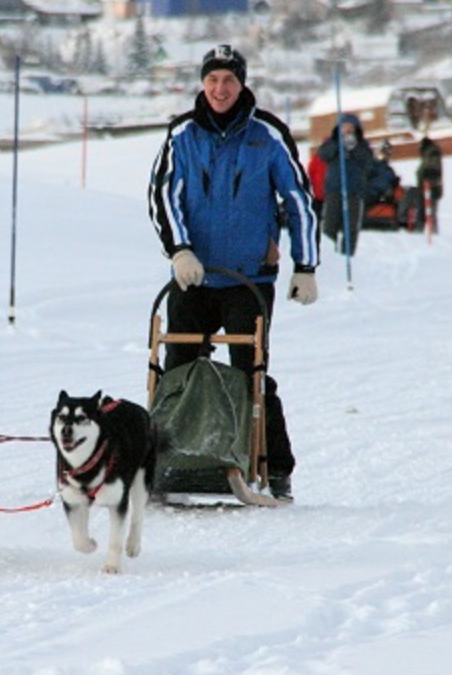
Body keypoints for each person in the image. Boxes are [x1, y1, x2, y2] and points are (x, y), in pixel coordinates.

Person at [147, 44, 320, 501]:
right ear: (202, 84)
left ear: (242, 84)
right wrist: (180, 251)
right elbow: (164, 196)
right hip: (196, 277)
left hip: (249, 279)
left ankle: (273, 466)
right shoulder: (182, 134)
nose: (220, 89)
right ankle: (169, 463)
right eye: (212, 80)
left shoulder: (267, 134)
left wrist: (306, 265)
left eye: (229, 80)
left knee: (252, 373)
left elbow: (299, 200)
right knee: (178, 372)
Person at [317, 113, 377, 256]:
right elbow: (323, 154)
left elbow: (369, 164)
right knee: (330, 226)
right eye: (345, 127)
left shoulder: (363, 146)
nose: (348, 130)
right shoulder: (331, 142)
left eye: (351, 127)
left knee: (351, 227)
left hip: (354, 191)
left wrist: (354, 148)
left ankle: (347, 255)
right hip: (334, 190)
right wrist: (338, 145)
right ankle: (328, 256)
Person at [415, 136, 444, 233]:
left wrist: (425, 176)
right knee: (424, 213)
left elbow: (432, 170)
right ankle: (426, 233)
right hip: (425, 189)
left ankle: (433, 234)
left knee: (431, 213)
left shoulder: (432, 153)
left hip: (431, 189)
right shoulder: (427, 156)